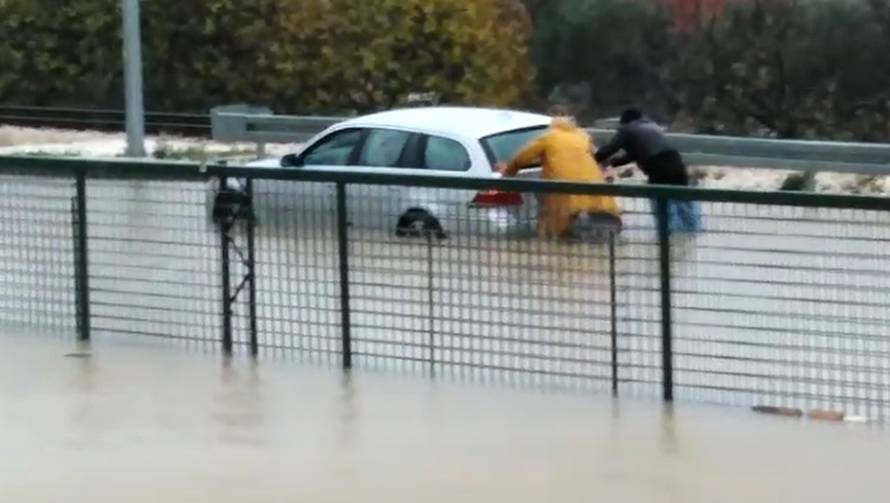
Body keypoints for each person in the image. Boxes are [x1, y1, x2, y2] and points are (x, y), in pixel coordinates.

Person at [496, 113, 621, 240]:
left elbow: (522, 159)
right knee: (601, 230)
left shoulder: (549, 137)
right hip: (595, 187)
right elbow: (598, 155)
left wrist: (508, 172)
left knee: (561, 228)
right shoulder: (582, 136)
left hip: (564, 188)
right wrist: (608, 170)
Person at [594, 108, 702, 232]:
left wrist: (594, 160)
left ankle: (667, 239)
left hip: (658, 167)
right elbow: (634, 155)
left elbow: (611, 148)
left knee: (659, 202)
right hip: (677, 163)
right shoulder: (653, 126)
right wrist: (613, 163)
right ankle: (693, 235)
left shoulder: (627, 129)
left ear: (625, 121)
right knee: (683, 202)